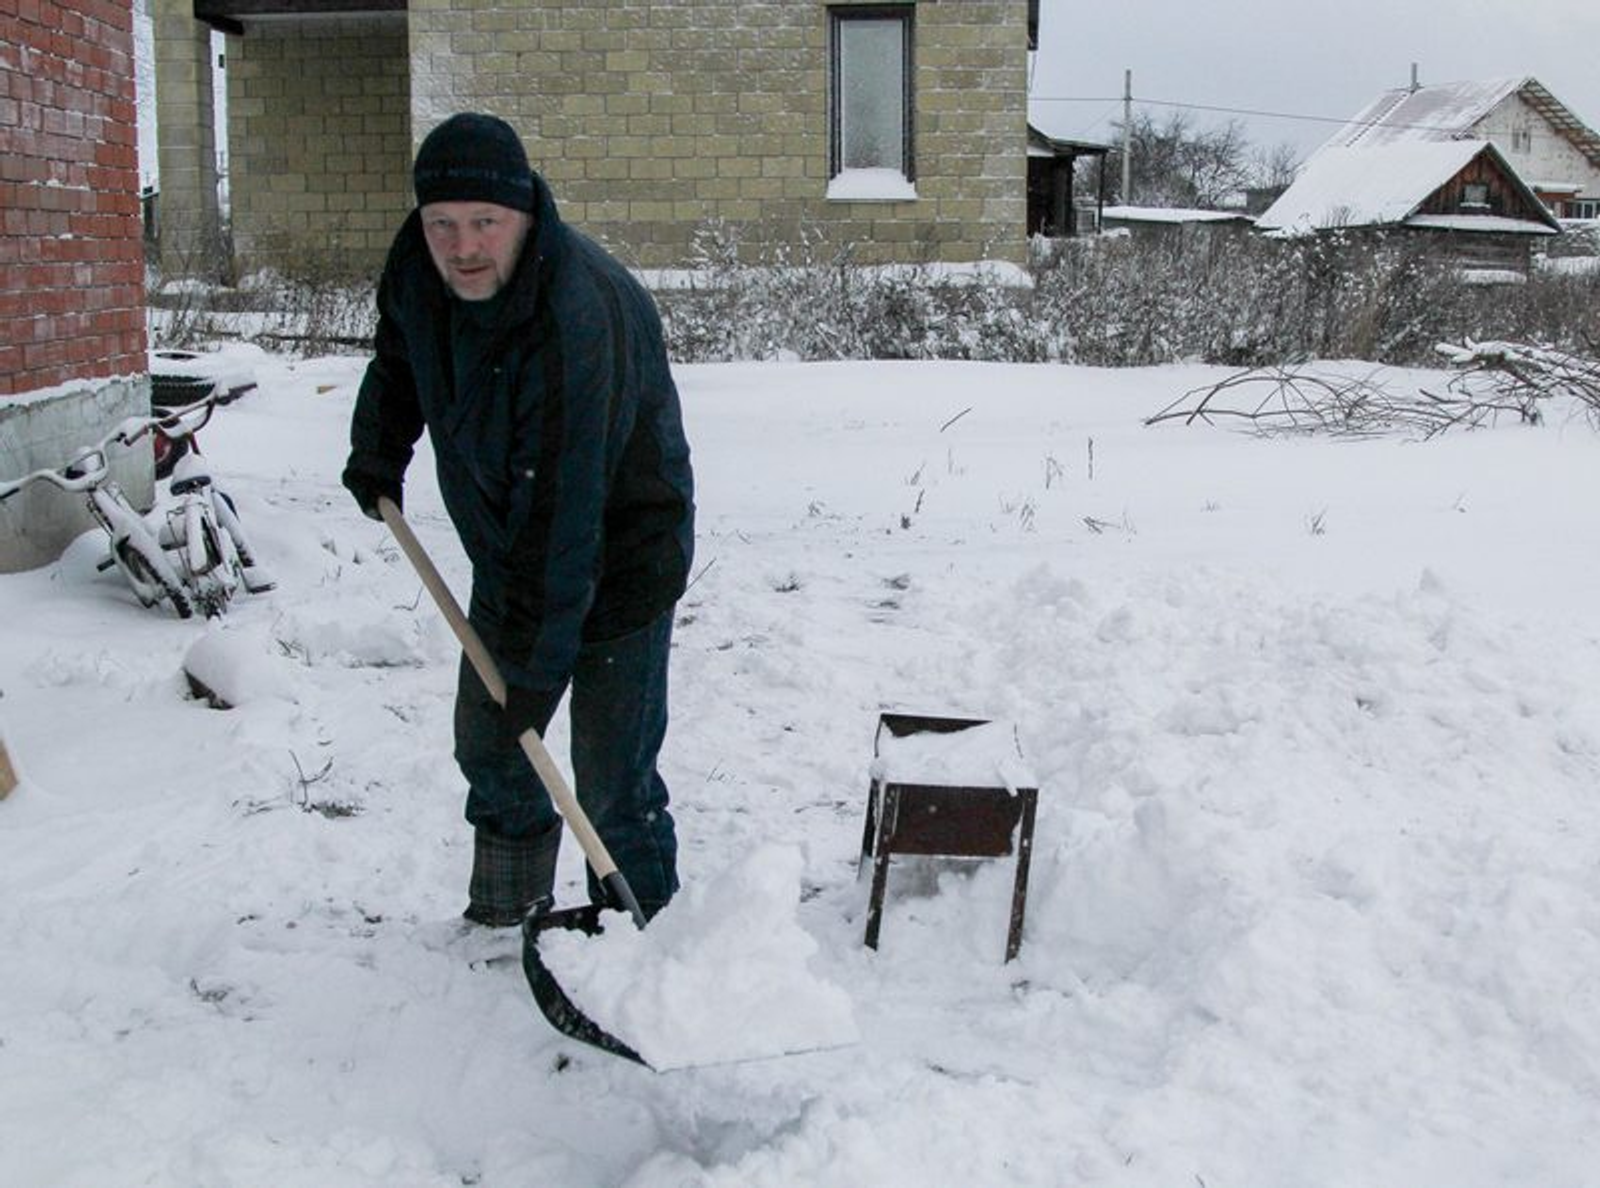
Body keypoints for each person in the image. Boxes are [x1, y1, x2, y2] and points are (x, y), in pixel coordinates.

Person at [342, 112, 695, 927]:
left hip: (623, 555)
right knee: (494, 748)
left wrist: (537, 669)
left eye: (485, 224)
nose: (463, 246)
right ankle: (506, 910)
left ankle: (656, 946)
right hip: (512, 549)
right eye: (443, 224)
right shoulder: (416, 271)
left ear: (526, 216)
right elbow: (401, 357)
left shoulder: (579, 318)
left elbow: (567, 513)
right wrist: (378, 450)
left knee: (611, 780)